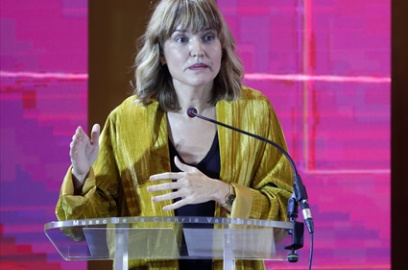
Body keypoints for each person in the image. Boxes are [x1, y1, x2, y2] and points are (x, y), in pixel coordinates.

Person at [55, 0, 293, 269]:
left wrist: (222, 192)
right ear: (161, 54)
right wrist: (81, 175)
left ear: (222, 46)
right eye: (182, 39)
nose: (198, 50)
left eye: (208, 37)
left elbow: (284, 211)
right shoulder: (127, 120)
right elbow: (84, 229)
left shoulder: (253, 112)